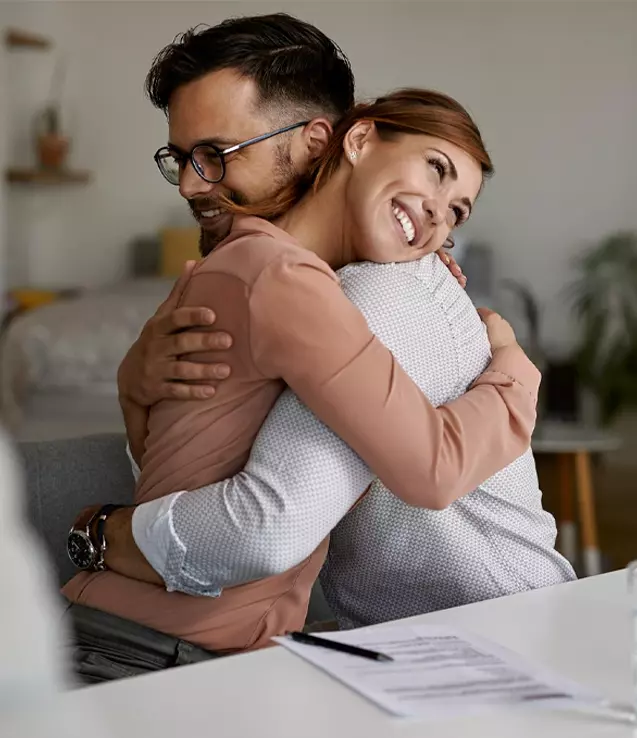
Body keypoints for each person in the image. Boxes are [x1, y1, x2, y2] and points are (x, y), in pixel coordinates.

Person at [62, 17, 551, 683]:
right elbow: (427, 472)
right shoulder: (278, 276)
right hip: (146, 652)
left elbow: (176, 462)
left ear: (323, 138)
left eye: (216, 152)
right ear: (354, 142)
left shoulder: (299, 278)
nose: (190, 184)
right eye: (181, 158)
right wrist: (516, 372)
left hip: (163, 649)